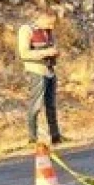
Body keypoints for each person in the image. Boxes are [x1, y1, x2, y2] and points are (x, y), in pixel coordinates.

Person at [18, 12, 63, 145]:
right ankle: (32, 138)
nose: (52, 27)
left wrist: (55, 53)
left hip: (50, 70)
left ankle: (55, 136)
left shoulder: (47, 31)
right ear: (41, 19)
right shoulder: (26, 30)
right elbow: (24, 53)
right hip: (36, 71)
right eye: (49, 23)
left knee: (51, 106)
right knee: (36, 106)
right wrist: (45, 53)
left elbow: (50, 46)